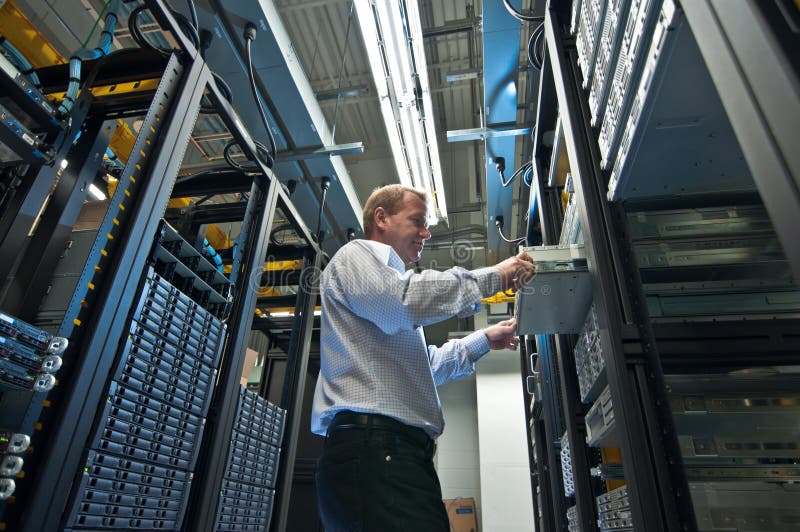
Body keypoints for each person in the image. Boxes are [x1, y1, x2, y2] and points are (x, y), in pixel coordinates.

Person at [311, 184, 536, 531]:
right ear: (381, 218)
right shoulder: (356, 256)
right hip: (376, 451)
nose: (426, 232)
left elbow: (424, 368)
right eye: (417, 220)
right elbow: (404, 302)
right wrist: (497, 276)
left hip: (390, 451)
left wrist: (483, 340)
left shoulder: (386, 287)